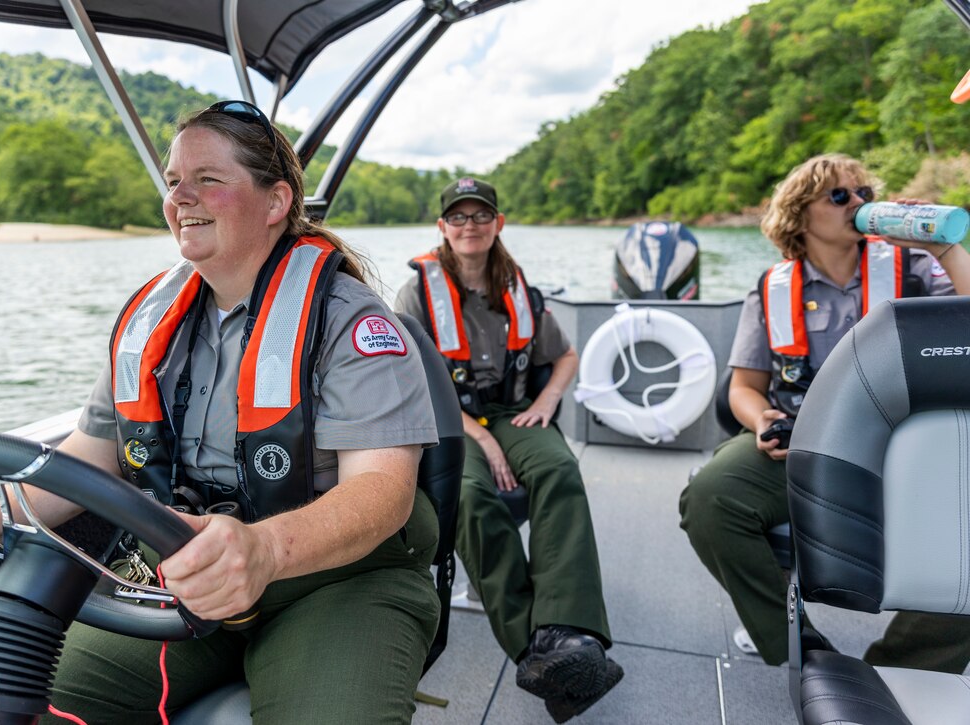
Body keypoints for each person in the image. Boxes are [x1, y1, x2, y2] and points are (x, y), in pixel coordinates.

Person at [0, 101, 443, 724]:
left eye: (209, 179)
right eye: (174, 180)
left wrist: (263, 550)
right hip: (177, 570)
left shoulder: (351, 322)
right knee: (18, 701)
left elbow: (383, 492)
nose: (182, 197)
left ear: (277, 201)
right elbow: (81, 464)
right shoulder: (147, 323)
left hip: (342, 578)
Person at [680, 152, 970, 670]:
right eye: (840, 196)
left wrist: (944, 246)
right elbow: (745, 387)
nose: (858, 203)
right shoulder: (771, 289)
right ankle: (804, 651)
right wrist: (761, 419)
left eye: (865, 194)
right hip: (806, 444)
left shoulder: (916, 268)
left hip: (903, 448)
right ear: (799, 214)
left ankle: (901, 671)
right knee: (710, 498)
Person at [394, 178, 622, 723]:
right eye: (458, 217)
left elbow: (564, 355)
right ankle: (534, 650)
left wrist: (545, 401)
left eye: (480, 216)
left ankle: (567, 629)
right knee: (471, 496)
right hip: (453, 423)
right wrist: (486, 439)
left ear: (498, 224)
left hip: (514, 411)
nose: (469, 226)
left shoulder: (519, 288)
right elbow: (417, 381)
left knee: (560, 469)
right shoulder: (416, 294)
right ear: (442, 228)